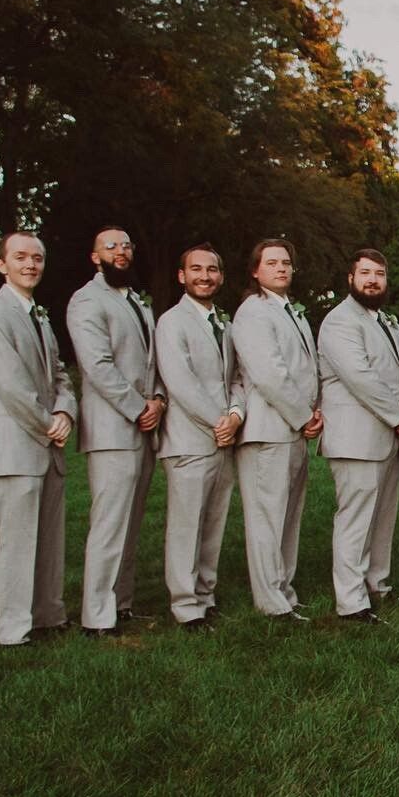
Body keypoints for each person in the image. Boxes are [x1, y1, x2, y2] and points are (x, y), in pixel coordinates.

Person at [0, 231, 76, 646]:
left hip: (46, 440)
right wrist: (48, 423)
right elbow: (11, 385)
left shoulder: (40, 316)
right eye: (20, 257)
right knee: (16, 541)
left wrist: (66, 410)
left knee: (49, 535)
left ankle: (49, 613)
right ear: (2, 265)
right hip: (14, 445)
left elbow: (61, 373)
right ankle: (13, 630)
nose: (30, 264)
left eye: (37, 257)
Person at [66, 224, 165, 636]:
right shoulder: (86, 301)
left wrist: (158, 400)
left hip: (143, 427)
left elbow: (151, 362)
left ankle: (121, 604)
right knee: (108, 524)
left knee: (131, 522)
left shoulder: (138, 302)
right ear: (95, 256)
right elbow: (97, 366)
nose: (120, 252)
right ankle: (97, 616)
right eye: (111, 246)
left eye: (126, 245)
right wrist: (138, 407)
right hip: (112, 430)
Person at [317, 249, 399, 623]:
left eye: (379, 273)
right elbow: (360, 378)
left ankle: (378, 585)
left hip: (390, 438)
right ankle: (351, 601)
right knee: (355, 520)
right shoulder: (340, 321)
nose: (373, 280)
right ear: (350, 278)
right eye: (365, 273)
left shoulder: (387, 321)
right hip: (356, 439)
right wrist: (396, 415)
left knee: (383, 519)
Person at [231, 238, 322, 622]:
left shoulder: (291, 311)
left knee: (288, 516)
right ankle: (270, 603)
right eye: (272, 263)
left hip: (294, 428)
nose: (282, 268)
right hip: (268, 430)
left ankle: (284, 590)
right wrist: (304, 416)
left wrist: (312, 413)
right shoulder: (253, 312)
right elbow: (270, 375)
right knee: (267, 519)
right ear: (255, 270)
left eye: (286, 262)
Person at [154, 244, 244, 631]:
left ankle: (206, 596)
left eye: (211, 269)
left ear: (221, 276)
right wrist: (218, 421)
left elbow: (240, 376)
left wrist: (237, 414)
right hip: (190, 441)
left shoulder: (224, 324)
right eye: (196, 269)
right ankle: (185, 605)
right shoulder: (172, 322)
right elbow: (180, 382)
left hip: (225, 439)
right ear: (181, 276)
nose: (204, 276)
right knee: (186, 525)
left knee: (214, 523)